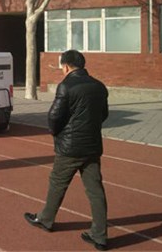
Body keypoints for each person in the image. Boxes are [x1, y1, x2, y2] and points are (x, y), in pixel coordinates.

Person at [24, 50, 109, 251]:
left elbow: (54, 116)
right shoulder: (99, 86)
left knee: (57, 183)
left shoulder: (66, 86)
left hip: (70, 147)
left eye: (62, 66)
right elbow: (103, 115)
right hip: (92, 146)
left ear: (67, 66)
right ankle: (100, 236)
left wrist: (56, 132)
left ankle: (45, 219)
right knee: (95, 190)